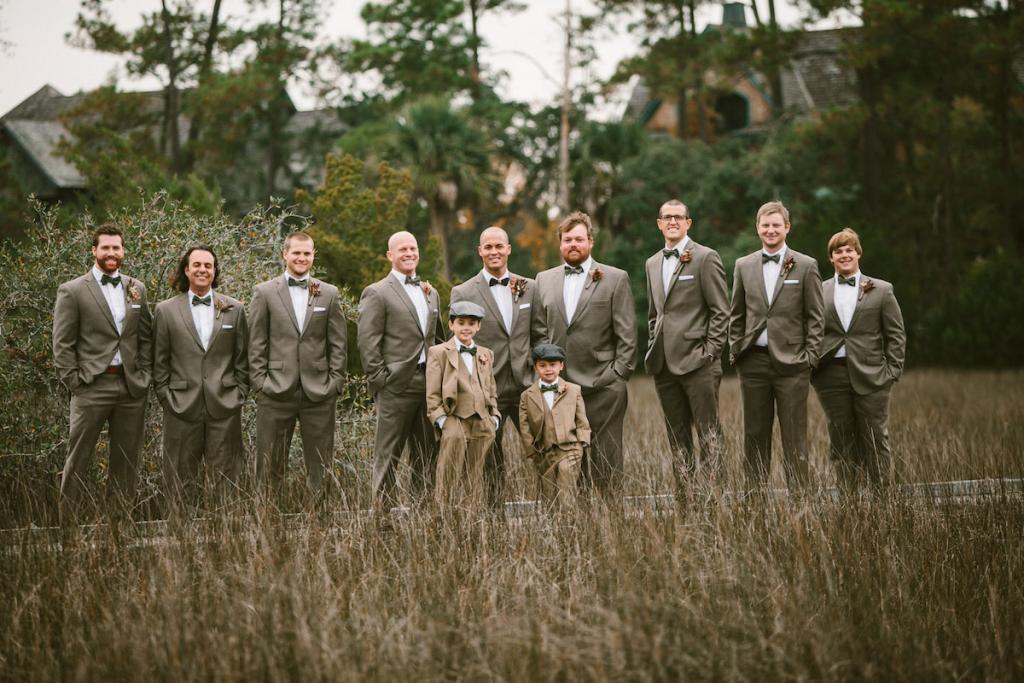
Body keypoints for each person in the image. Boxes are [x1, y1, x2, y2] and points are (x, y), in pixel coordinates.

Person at [52, 223, 152, 523]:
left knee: (126, 462)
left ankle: (117, 529)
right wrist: (76, 382)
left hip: (130, 388)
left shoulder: (137, 288)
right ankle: (67, 530)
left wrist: (143, 375)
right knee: (79, 458)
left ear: (123, 251)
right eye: (105, 247)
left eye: (116, 247)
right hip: (91, 386)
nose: (111, 253)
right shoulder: (72, 290)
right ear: (94, 250)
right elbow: (62, 343)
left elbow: (145, 336)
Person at [535, 211, 636, 494]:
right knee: (566, 461)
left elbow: (627, 334)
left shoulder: (615, 279)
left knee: (606, 460)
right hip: (561, 387)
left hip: (604, 384)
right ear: (560, 244)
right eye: (567, 240)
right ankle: (575, 526)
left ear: (590, 241)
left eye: (579, 239)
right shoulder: (543, 280)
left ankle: (610, 521)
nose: (573, 244)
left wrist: (618, 374)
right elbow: (540, 332)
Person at [729, 201, 825, 490]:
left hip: (793, 365)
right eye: (765, 225)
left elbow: (816, 317)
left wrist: (810, 359)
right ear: (758, 228)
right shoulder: (743, 266)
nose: (770, 230)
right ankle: (754, 505)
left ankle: (801, 503)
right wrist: (737, 351)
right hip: (753, 363)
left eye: (776, 225)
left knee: (794, 437)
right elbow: (737, 314)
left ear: (787, 228)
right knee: (754, 435)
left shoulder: (806, 265)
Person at [248, 231, 347, 501]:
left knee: (321, 467)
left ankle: (320, 530)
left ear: (313, 255)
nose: (302, 258)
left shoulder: (329, 294)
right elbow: (256, 343)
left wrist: (335, 382)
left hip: (319, 393)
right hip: (276, 391)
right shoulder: (264, 293)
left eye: (307, 253)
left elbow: (338, 344)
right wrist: (261, 384)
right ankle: (267, 526)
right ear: (285, 254)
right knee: (269, 466)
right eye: (296, 253)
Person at [449, 226, 544, 507]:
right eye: (488, 247)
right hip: (487, 390)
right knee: (491, 457)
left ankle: (552, 512)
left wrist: (541, 375)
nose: (494, 252)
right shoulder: (463, 291)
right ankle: (495, 515)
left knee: (543, 449)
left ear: (508, 249)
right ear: (480, 251)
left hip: (526, 384)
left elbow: (539, 333)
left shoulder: (530, 287)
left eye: (499, 246)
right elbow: (458, 344)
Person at [153, 245, 249, 516]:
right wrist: (166, 396)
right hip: (181, 406)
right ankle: (181, 540)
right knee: (179, 480)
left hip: (224, 405)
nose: (202, 270)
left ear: (215, 270)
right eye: (197, 265)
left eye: (208, 265)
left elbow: (243, 358)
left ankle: (225, 540)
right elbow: (159, 362)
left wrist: (238, 393)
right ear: (186, 269)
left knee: (226, 481)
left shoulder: (234, 309)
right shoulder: (165, 311)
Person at [357, 231, 447, 507]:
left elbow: (438, 339)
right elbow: (367, 341)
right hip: (395, 385)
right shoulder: (377, 292)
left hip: (428, 385)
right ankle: (383, 516)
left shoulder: (430, 294)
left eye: (413, 248)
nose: (409, 253)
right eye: (402, 249)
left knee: (426, 453)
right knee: (388, 455)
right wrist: (381, 379)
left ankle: (422, 513)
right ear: (390, 255)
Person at [644, 199, 729, 489]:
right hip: (664, 366)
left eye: (678, 217)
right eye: (667, 217)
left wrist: (710, 352)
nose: (672, 222)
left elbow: (721, 311)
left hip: (699, 363)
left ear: (688, 223)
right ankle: (686, 502)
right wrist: (654, 343)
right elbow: (655, 314)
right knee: (677, 438)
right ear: (659, 223)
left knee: (709, 435)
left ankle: (713, 499)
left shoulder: (706, 257)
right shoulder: (652, 263)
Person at [812, 228, 906, 488]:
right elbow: (810, 330)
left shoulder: (882, 290)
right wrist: (813, 366)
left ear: (858, 254)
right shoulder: (819, 290)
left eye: (849, 250)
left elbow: (896, 334)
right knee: (841, 441)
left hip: (873, 375)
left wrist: (892, 372)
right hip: (830, 375)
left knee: (875, 439)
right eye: (838, 251)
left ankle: (881, 502)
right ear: (831, 258)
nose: (844, 255)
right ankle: (848, 502)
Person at [425, 301, 500, 509]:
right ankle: (444, 517)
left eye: (471, 323)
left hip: (481, 420)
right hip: (454, 419)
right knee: (448, 473)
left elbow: (491, 387)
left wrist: (494, 417)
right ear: (451, 325)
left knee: (474, 475)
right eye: (461, 322)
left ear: (478, 327)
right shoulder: (439, 352)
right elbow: (432, 392)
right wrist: (441, 420)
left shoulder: (486, 353)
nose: (466, 327)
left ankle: (471, 518)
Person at [517, 343, 591, 509]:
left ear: (561, 366)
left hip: (570, 448)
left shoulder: (573, 390)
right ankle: (552, 528)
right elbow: (525, 427)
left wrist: (582, 442)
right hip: (544, 451)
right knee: (549, 493)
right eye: (542, 365)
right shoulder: (527, 396)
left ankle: (570, 524)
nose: (548, 369)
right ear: (536, 367)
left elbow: (581, 419)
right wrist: (531, 451)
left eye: (552, 365)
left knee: (565, 485)